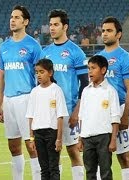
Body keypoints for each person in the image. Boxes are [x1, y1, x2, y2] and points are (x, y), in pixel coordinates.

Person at [42, 9, 88, 179]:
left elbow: (85, 84)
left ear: (65, 26)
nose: (52, 28)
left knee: (73, 151)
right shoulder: (45, 52)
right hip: (49, 112)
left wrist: (77, 110)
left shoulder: (76, 52)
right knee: (52, 153)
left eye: (56, 25)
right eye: (51, 25)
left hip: (68, 110)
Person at [0, 5, 42, 180]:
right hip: (8, 100)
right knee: (13, 146)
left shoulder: (33, 45)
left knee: (32, 145)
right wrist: (0, 102)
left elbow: (41, 75)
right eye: (11, 17)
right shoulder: (5, 46)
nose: (12, 20)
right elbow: (2, 75)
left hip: (26, 98)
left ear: (25, 22)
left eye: (17, 17)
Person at [97, 16, 129, 180]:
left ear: (118, 34)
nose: (105, 34)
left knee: (124, 156)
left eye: (109, 30)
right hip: (101, 111)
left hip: (119, 110)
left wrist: (126, 115)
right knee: (100, 157)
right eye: (103, 30)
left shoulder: (125, 58)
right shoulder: (98, 57)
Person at [78, 55, 120, 179]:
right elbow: (82, 115)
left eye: (93, 68)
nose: (90, 71)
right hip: (87, 137)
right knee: (90, 172)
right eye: (88, 68)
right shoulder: (86, 91)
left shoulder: (110, 91)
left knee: (105, 172)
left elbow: (115, 118)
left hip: (104, 137)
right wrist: (80, 137)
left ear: (103, 70)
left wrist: (113, 140)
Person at [26, 59, 68, 180]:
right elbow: (31, 116)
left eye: (42, 71)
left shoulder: (56, 90)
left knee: (53, 167)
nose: (38, 74)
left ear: (50, 73)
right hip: (38, 134)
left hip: (52, 133)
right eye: (37, 72)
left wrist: (59, 139)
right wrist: (31, 137)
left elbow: (60, 116)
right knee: (44, 168)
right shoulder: (34, 92)